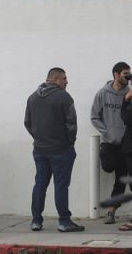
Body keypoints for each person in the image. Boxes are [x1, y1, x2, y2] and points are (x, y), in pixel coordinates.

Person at [24, 67, 83, 233]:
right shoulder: (64, 97)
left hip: (40, 149)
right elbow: (72, 123)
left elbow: (27, 122)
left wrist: (38, 138)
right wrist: (69, 141)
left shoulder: (32, 97)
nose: (66, 81)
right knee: (61, 186)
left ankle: (36, 220)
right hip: (61, 149)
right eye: (64, 78)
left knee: (40, 184)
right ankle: (64, 221)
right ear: (55, 79)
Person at [91, 62, 131, 224]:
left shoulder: (129, 93)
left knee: (121, 178)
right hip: (109, 142)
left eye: (129, 73)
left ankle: (111, 211)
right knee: (108, 166)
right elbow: (94, 117)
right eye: (125, 73)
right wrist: (107, 132)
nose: (128, 76)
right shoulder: (102, 93)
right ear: (116, 74)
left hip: (125, 144)